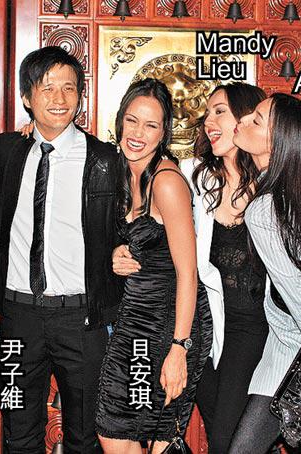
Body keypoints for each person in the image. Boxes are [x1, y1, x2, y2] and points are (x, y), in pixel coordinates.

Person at [0, 46, 122, 454]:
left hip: (81, 319)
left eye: (69, 88)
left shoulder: (104, 159)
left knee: (85, 434)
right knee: (18, 431)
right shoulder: (7, 150)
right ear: (27, 97)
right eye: (47, 88)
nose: (60, 99)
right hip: (17, 318)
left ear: (81, 95)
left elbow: (127, 220)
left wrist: (123, 252)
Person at [95, 78, 213, 453]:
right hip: (135, 319)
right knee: (116, 432)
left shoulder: (167, 183)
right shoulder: (120, 171)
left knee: (160, 439)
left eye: (150, 125)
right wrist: (117, 253)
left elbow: (188, 273)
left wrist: (179, 349)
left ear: (164, 133)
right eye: (132, 121)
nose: (138, 133)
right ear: (119, 121)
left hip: (171, 323)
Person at [228, 94, 301, 454]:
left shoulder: (263, 209)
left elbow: (296, 292)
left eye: (257, 120)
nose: (243, 120)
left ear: (278, 142)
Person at [179, 82, 269, 454]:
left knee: (224, 440)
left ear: (247, 119)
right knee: (222, 432)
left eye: (220, 112)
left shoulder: (271, 181)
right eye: (207, 114)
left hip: (254, 330)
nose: (209, 121)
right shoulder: (193, 176)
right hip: (203, 328)